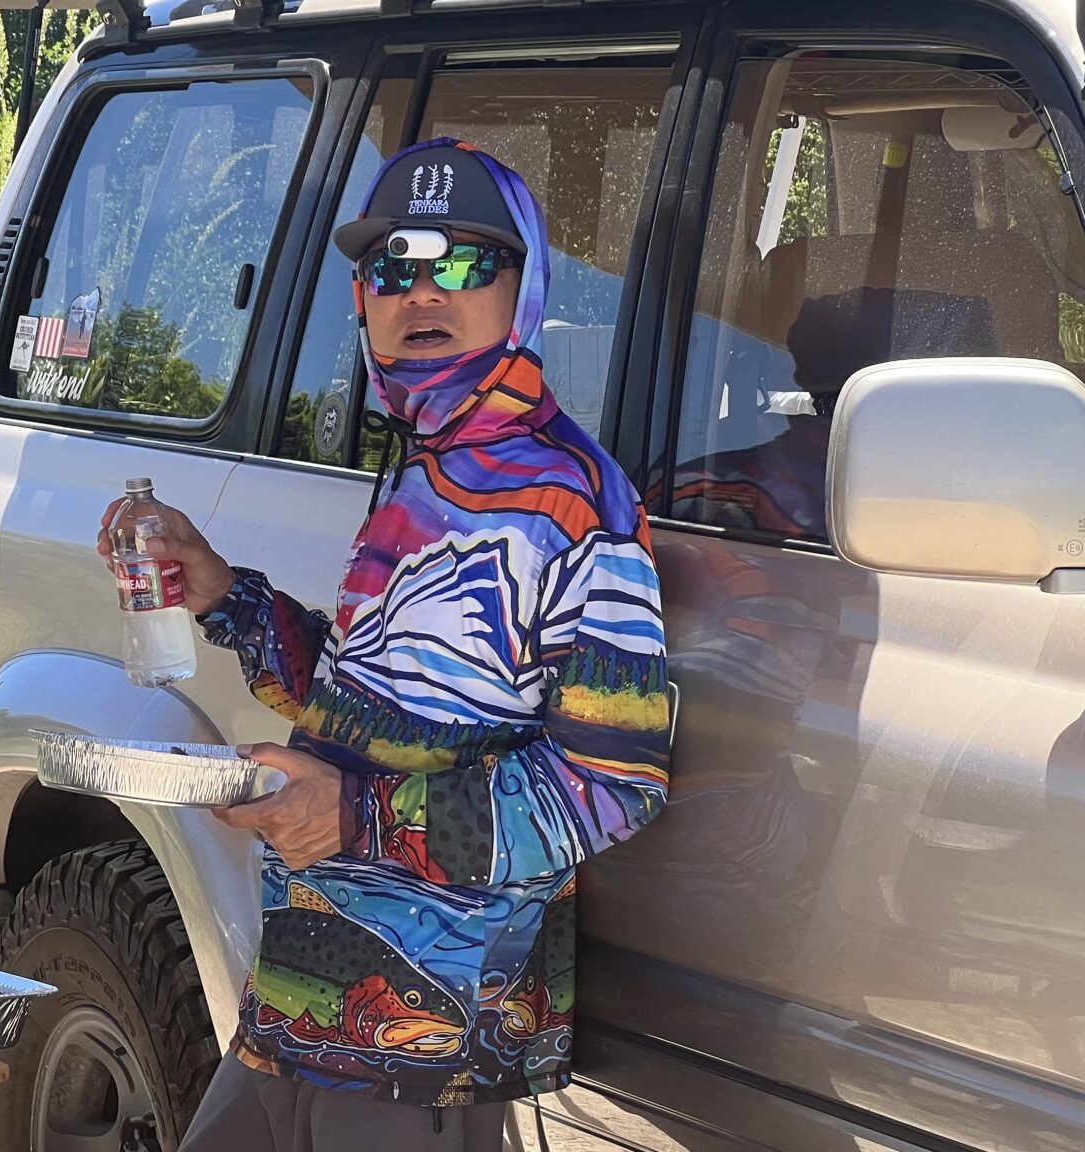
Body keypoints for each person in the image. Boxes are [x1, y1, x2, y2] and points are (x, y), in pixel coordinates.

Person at [101, 139, 674, 1150]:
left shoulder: (575, 506)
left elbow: (610, 783)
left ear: (524, 285)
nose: (421, 292)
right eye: (390, 268)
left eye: (460, 263)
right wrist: (224, 595)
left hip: (427, 1048)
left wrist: (354, 818)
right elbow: (367, 705)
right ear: (361, 301)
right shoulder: (425, 471)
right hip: (303, 1008)